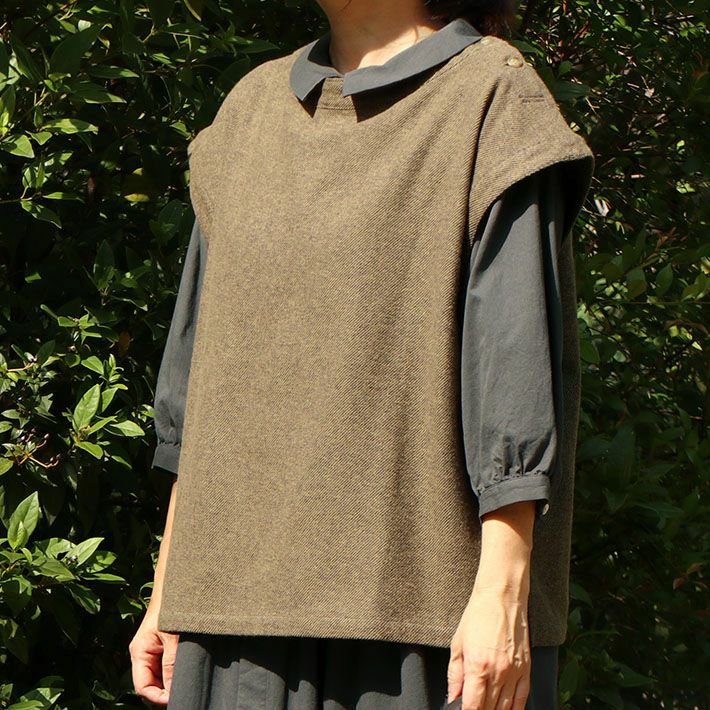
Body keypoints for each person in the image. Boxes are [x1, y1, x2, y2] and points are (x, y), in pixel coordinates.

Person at [129, 2, 594, 709]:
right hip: (228, 631)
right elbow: (202, 385)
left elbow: (516, 371)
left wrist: (503, 598)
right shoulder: (248, 113)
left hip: (419, 626)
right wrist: (168, 588)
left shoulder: (489, 96)